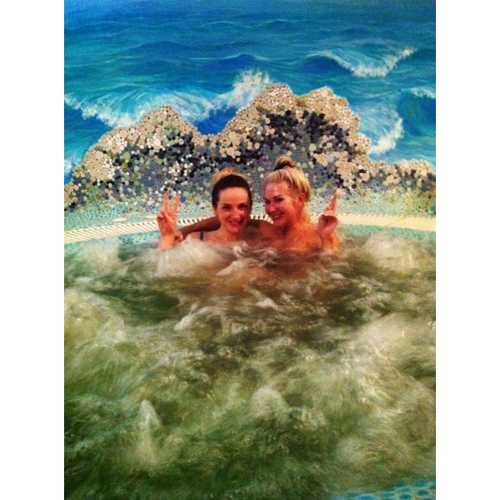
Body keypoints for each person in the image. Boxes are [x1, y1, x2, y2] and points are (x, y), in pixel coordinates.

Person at [157, 168, 256, 250]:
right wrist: (167, 237)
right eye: (226, 207)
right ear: (215, 209)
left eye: (242, 206)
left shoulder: (261, 240)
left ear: (251, 208)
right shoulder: (196, 242)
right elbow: (166, 264)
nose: (235, 216)